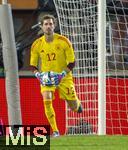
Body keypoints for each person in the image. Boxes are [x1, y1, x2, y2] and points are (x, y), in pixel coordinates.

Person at [30, 14, 83, 137]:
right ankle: (55, 131)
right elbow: (33, 65)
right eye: (46, 24)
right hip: (47, 78)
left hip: (64, 77)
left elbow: (72, 62)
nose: (48, 26)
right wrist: (38, 75)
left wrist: (62, 74)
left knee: (74, 106)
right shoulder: (36, 44)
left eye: (51, 24)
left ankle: (77, 104)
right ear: (42, 27)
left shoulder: (64, 41)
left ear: (55, 26)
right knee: (46, 100)